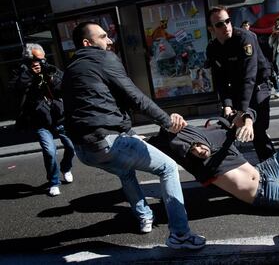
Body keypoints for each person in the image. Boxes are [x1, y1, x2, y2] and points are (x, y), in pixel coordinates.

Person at [61, 21, 206, 250]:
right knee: (168, 168)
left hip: (84, 151)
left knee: (126, 170)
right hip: (107, 141)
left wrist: (129, 133)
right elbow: (135, 98)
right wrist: (168, 122)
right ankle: (180, 234)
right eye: (103, 37)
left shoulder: (71, 69)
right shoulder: (103, 58)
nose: (109, 41)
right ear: (87, 43)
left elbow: (95, 106)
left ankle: (143, 217)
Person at [148, 123, 279, 209]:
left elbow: (243, 115)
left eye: (196, 145)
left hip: (264, 170)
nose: (198, 151)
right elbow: (151, 143)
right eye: (192, 151)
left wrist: (248, 121)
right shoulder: (194, 163)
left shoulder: (217, 136)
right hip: (263, 192)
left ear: (200, 138)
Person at [206, 6, 275, 162]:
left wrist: (242, 111)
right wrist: (228, 105)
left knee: (257, 131)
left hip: (258, 85)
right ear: (211, 29)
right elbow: (220, 80)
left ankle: (273, 168)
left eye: (228, 21)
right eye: (219, 24)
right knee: (228, 128)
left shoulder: (245, 38)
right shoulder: (212, 48)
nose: (226, 26)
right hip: (238, 88)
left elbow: (249, 77)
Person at [10, 43, 75, 197]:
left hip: (59, 117)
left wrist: (52, 78)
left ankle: (65, 168)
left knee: (71, 147)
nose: (41, 61)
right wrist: (28, 75)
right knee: (49, 152)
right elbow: (14, 93)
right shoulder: (20, 73)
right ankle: (54, 182)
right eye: (38, 59)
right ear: (28, 59)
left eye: (43, 58)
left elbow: (64, 87)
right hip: (40, 121)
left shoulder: (50, 68)